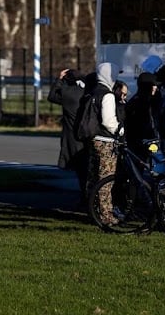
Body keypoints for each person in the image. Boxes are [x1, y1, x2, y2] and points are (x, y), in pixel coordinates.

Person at [87, 62, 122, 223]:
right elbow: (108, 121)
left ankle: (93, 211)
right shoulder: (107, 95)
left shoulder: (93, 91)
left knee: (93, 178)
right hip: (106, 141)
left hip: (94, 139)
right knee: (106, 179)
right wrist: (120, 130)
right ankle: (106, 215)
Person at [48, 68, 89, 202]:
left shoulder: (67, 93)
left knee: (80, 169)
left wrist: (59, 80)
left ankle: (85, 195)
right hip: (87, 133)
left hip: (72, 135)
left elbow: (52, 96)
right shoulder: (86, 92)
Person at [125, 72, 160, 157]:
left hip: (143, 144)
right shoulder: (140, 104)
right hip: (140, 145)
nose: (155, 87)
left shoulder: (146, 101)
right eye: (153, 85)